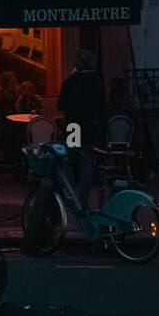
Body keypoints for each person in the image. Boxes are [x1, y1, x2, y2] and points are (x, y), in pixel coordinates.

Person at [56, 49, 108, 206]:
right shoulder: (97, 83)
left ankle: (70, 196)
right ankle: (82, 199)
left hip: (73, 126)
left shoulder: (69, 82)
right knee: (86, 163)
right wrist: (104, 131)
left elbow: (61, 105)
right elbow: (102, 109)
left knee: (70, 161)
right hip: (89, 126)